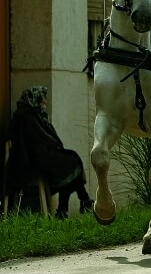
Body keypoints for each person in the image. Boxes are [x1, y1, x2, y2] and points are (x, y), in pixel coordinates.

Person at [6, 86, 94, 219]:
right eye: (43, 98)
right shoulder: (27, 116)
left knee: (71, 164)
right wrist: (53, 145)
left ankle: (67, 208)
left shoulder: (35, 114)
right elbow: (41, 139)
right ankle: (79, 202)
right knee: (72, 162)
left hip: (42, 157)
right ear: (36, 99)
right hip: (31, 161)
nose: (45, 101)